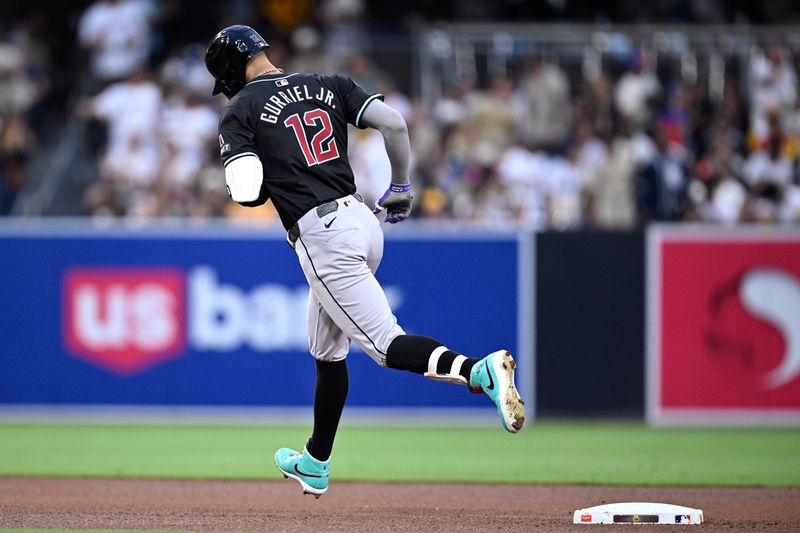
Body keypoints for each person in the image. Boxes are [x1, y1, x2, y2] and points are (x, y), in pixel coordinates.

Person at [204, 25, 525, 498]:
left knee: (384, 345)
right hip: (363, 219)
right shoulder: (327, 83)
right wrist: (400, 187)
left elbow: (248, 192)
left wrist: (246, 180)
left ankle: (477, 370)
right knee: (325, 350)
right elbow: (394, 122)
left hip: (322, 236)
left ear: (230, 71)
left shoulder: (240, 110)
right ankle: (315, 461)